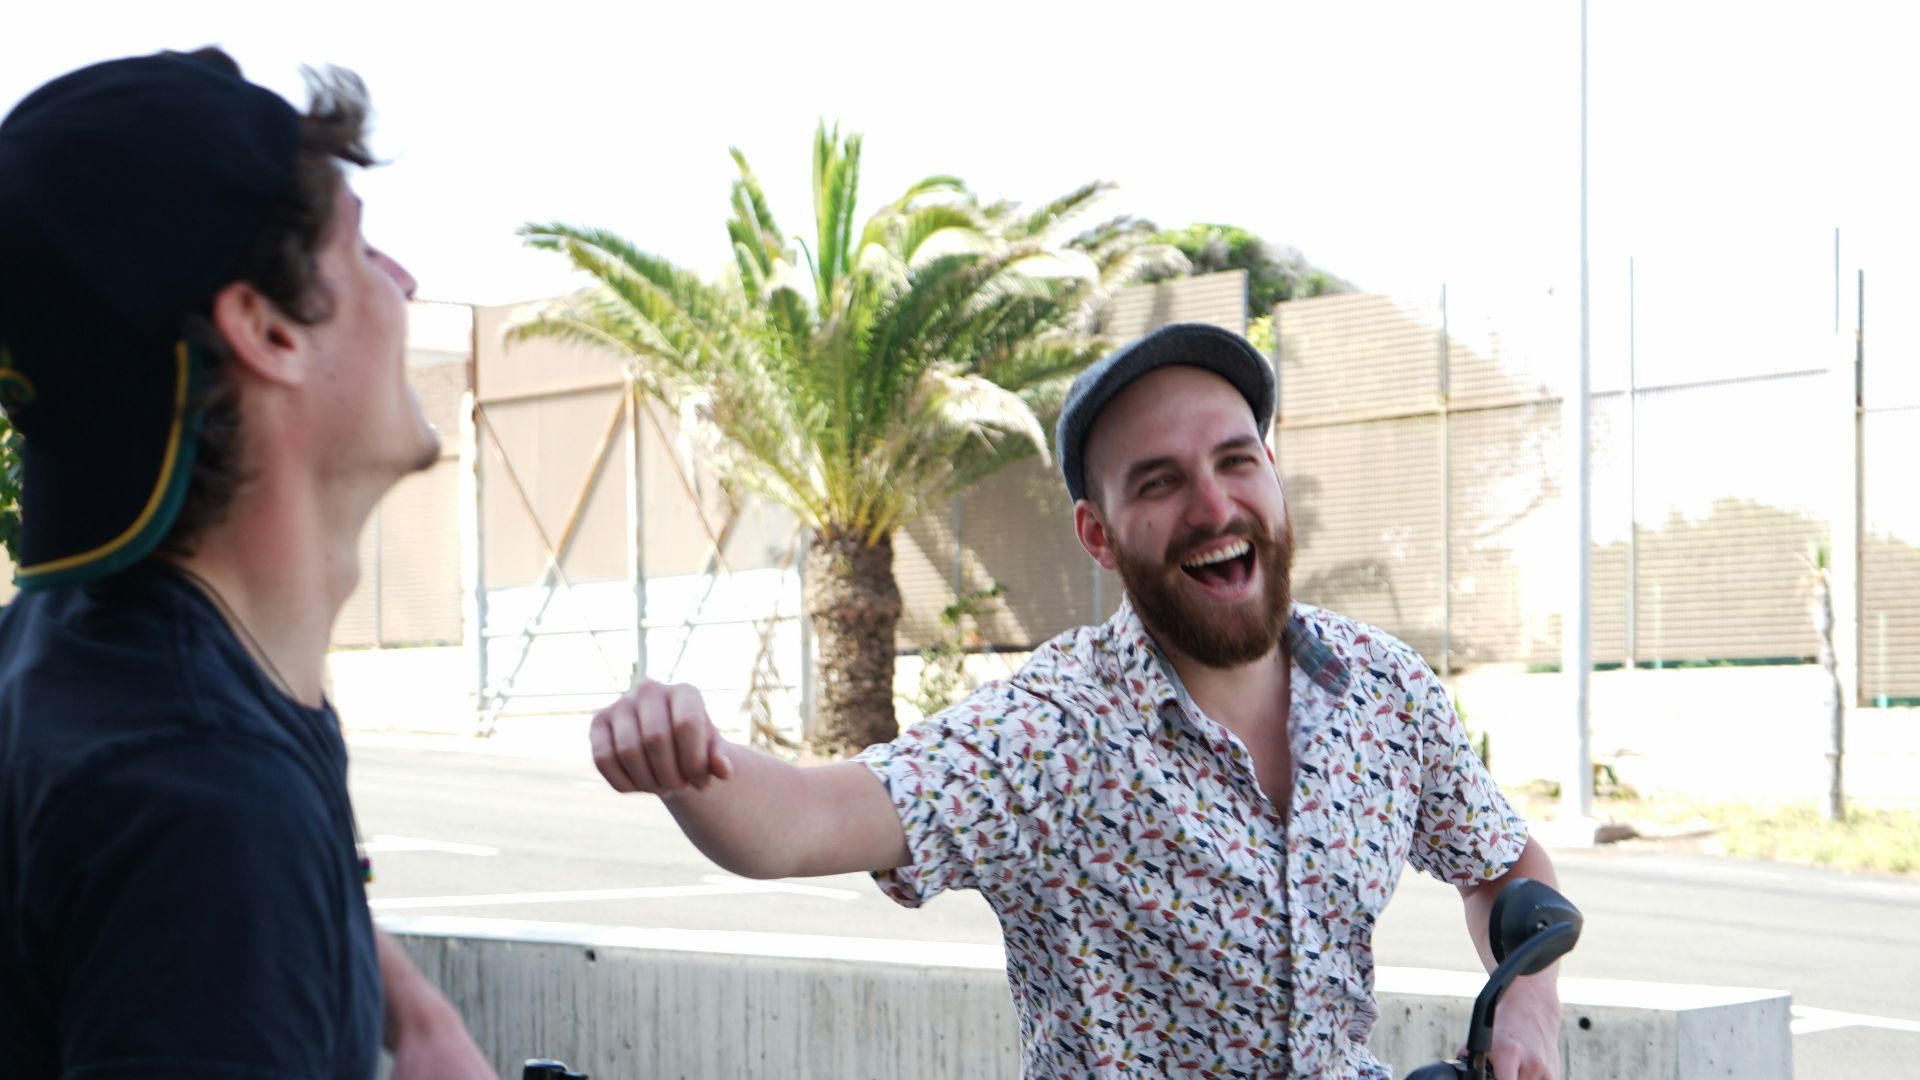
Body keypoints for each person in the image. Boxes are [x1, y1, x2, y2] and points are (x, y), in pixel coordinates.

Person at [587, 322, 1564, 1079]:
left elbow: (1505, 863)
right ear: (1099, 536)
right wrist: (690, 762)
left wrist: (1525, 1006)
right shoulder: (1056, 730)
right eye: (1160, 483)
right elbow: (799, 823)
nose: (1215, 507)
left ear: (1272, 473)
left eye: (1235, 460)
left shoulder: (1383, 692)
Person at [0, 49, 495, 1078]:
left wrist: (413, 1014)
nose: (402, 283)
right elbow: (209, 872)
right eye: (359, 248)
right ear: (267, 331)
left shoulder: (74, 655)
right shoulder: (205, 809)